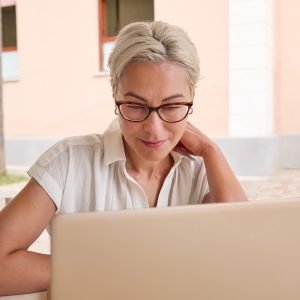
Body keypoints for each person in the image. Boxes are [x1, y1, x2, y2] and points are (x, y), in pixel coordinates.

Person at [0, 20, 247, 296]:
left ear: (192, 98)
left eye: (172, 106)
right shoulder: (70, 162)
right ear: (115, 94)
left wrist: (211, 151)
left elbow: (243, 253)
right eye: (135, 105)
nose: (154, 128)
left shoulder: (202, 169)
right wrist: (114, 269)